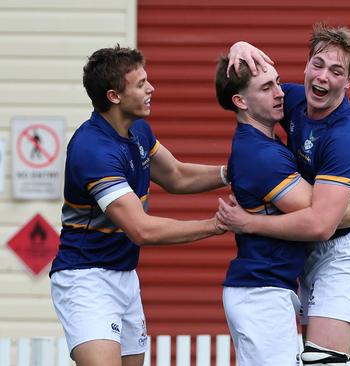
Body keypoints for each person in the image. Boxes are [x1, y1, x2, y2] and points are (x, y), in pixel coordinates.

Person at [48, 45, 267, 366]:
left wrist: (232, 173)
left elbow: (176, 175)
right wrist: (217, 224)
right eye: (140, 84)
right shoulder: (93, 149)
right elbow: (141, 229)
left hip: (124, 274)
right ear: (114, 96)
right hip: (86, 279)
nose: (151, 88)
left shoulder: (137, 129)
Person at [219, 22, 350, 365]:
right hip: (308, 251)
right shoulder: (292, 100)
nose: (323, 77)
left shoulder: (346, 137)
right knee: (317, 360)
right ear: (306, 64)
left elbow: (321, 223)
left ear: (349, 81)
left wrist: (249, 223)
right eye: (318, 64)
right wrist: (239, 44)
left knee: (323, 360)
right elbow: (249, 97)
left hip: (348, 250)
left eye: (336, 71)